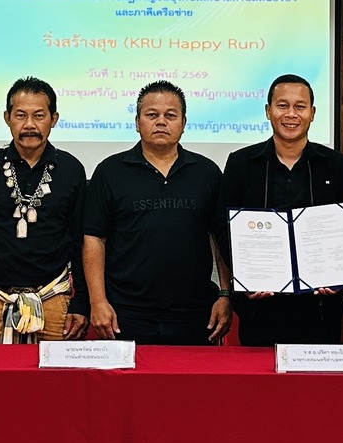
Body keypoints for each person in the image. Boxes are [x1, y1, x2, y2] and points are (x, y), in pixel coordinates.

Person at [83, 81, 232, 345]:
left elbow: (221, 239)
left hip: (195, 313)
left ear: (184, 123)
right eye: (152, 114)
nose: (161, 122)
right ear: (137, 122)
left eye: (170, 115)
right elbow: (94, 238)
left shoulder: (207, 173)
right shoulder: (110, 171)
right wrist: (98, 301)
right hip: (125, 312)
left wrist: (225, 294)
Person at [217, 73, 343, 346]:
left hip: (320, 308)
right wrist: (245, 275)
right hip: (260, 308)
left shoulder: (336, 165)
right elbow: (224, 226)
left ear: (312, 113)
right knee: (260, 375)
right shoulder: (242, 164)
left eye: (299, 106)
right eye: (282, 105)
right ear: (268, 111)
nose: (291, 114)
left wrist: (338, 274)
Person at [0, 78, 88, 342]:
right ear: (7, 118)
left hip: (54, 299)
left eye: (39, 116)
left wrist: (81, 303)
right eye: (21, 115)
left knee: (54, 371)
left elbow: (80, 240)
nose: (30, 125)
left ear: (54, 119)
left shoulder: (71, 169)